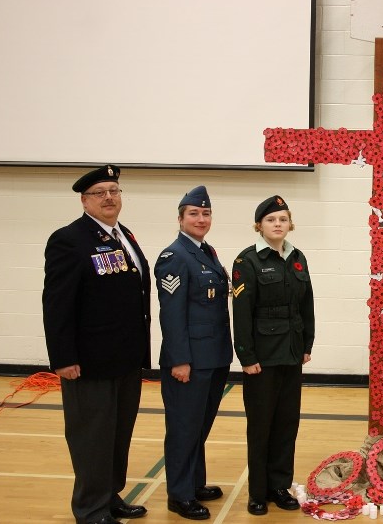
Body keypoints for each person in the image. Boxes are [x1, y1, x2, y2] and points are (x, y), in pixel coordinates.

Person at [42, 165, 151, 524]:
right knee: (92, 438)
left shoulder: (125, 235)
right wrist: (63, 357)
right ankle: (90, 509)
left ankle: (110, 495)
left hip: (125, 360)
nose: (109, 197)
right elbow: (57, 304)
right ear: (84, 200)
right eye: (100, 192)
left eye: (114, 190)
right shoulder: (69, 239)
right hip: (89, 363)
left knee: (118, 435)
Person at [231, 195, 315, 516]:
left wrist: (307, 343)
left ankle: (280, 485)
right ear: (259, 226)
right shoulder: (247, 261)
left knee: (286, 424)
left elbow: (306, 304)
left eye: (282, 219)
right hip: (262, 358)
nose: (277, 224)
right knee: (261, 425)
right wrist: (246, 356)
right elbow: (241, 313)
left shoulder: (298, 257)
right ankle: (257, 492)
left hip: (292, 353)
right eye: (270, 220)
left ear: (289, 223)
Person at [154, 186, 233, 520]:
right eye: (194, 214)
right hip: (189, 361)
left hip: (213, 356)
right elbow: (171, 316)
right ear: (181, 218)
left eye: (206, 213)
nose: (201, 219)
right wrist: (180, 360)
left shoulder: (206, 251)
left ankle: (194, 483)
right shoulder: (174, 256)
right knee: (185, 427)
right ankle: (180, 494)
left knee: (199, 426)